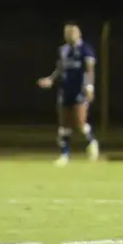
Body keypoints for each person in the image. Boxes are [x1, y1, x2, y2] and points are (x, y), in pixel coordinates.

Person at [37, 21, 100, 166]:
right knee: (63, 125)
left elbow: (90, 69)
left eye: (72, 33)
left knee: (79, 123)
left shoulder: (86, 49)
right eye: (67, 33)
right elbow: (60, 68)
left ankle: (92, 142)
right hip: (65, 89)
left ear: (79, 34)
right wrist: (51, 79)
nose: (69, 36)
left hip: (80, 90)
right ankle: (64, 155)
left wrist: (89, 87)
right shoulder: (63, 50)